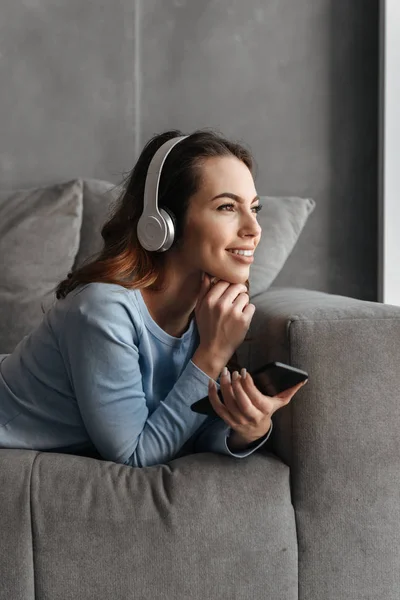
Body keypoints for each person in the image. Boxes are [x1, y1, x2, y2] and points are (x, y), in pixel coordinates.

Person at [0, 129, 305, 467]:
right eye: (227, 207)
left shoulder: (208, 313)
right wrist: (214, 352)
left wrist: (248, 427)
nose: (254, 228)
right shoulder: (103, 311)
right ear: (162, 223)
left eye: (255, 208)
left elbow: (185, 426)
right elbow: (135, 454)